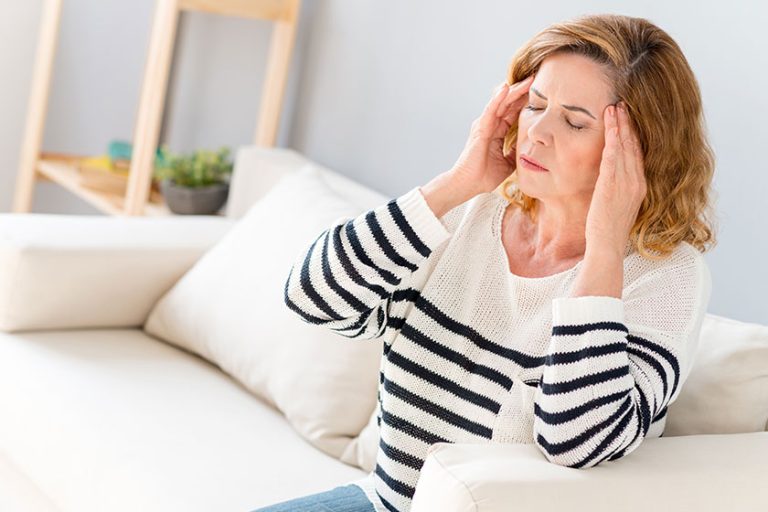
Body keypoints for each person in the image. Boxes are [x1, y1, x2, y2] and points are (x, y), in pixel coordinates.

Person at [255, 12, 716, 512]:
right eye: (535, 105)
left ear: (640, 152)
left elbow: (578, 442)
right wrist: (457, 182)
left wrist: (604, 246)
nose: (537, 133)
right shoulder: (468, 213)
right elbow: (313, 298)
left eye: (575, 121)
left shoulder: (667, 276)